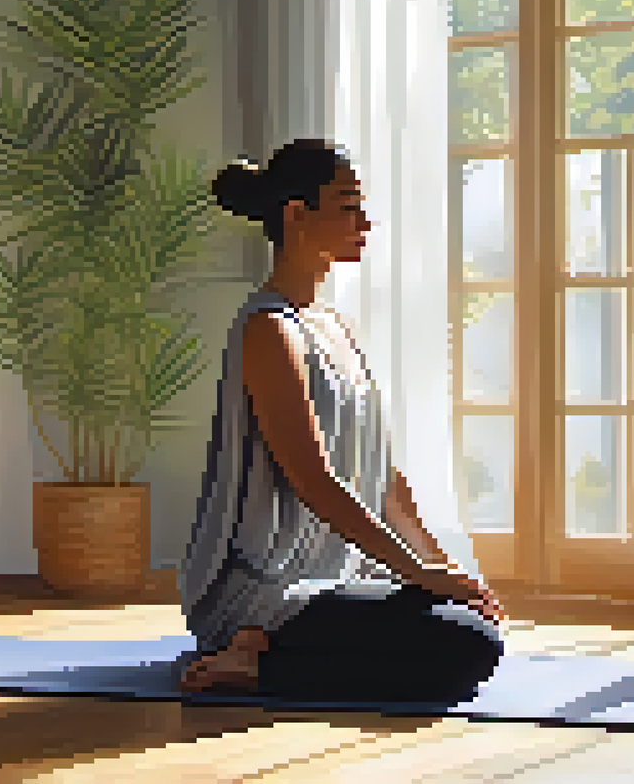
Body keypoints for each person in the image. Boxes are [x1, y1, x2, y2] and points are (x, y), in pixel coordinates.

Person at [176, 139, 506, 704]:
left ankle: (260, 651)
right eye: (348, 205)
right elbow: (314, 480)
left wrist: (439, 566)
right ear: (297, 215)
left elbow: (382, 478)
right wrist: (418, 576)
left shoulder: (335, 327)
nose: (366, 222)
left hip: (339, 574)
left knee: (475, 626)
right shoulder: (269, 329)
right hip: (267, 584)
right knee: (465, 647)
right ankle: (252, 657)